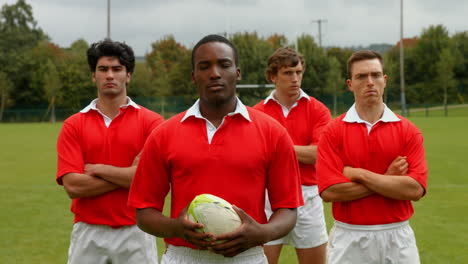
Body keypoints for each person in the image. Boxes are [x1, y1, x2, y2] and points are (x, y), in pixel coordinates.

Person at [128, 34, 304, 264]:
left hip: (247, 256)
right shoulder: (164, 134)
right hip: (184, 257)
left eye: (224, 64)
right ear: (193, 77)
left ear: (237, 73)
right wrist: (177, 228)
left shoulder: (273, 132)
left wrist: (263, 233)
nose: (215, 73)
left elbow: (288, 209)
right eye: (204, 66)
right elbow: (144, 212)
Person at [56, 39, 164, 264]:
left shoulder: (152, 123)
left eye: (117, 69)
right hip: (88, 231)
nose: (110, 75)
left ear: (128, 75)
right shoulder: (73, 124)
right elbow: (73, 186)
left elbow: (149, 179)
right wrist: (129, 176)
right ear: (93, 76)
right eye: (103, 69)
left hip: (137, 229)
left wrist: (99, 169)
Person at [316, 50, 428, 264]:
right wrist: (389, 177)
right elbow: (330, 191)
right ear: (350, 84)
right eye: (361, 76)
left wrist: (359, 174)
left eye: (376, 75)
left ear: (384, 81)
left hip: (397, 236)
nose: (370, 82)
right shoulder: (332, 132)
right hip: (349, 237)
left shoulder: (409, 131)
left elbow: (414, 189)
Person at [254, 47, 331, 264]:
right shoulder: (256, 113)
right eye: (288, 73)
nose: (295, 78)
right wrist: (300, 151)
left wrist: (277, 149)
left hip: (308, 196)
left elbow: (319, 154)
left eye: (298, 72)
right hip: (268, 198)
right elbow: (253, 157)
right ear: (273, 76)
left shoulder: (318, 110)